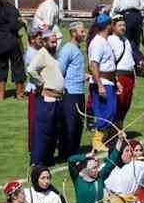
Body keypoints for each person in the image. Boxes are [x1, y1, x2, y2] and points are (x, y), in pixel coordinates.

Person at [27, 29, 64, 165]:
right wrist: (41, 82)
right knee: (44, 131)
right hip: (47, 100)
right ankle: (37, 161)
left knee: (54, 130)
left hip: (58, 99)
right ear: (45, 42)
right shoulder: (42, 54)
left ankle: (48, 159)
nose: (55, 44)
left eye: (56, 42)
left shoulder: (53, 54)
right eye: (52, 42)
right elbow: (31, 69)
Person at [56, 23, 90, 161]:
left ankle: (74, 151)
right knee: (69, 125)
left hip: (79, 91)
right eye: (81, 31)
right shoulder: (67, 49)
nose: (84, 33)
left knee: (78, 124)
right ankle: (66, 153)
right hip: (70, 92)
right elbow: (60, 70)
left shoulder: (77, 49)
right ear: (73, 33)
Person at [87, 13, 120, 146]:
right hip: (102, 82)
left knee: (111, 111)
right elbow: (94, 65)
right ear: (108, 25)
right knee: (107, 111)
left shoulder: (104, 41)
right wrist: (100, 85)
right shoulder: (97, 43)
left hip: (109, 81)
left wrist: (116, 81)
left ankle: (105, 138)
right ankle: (98, 139)